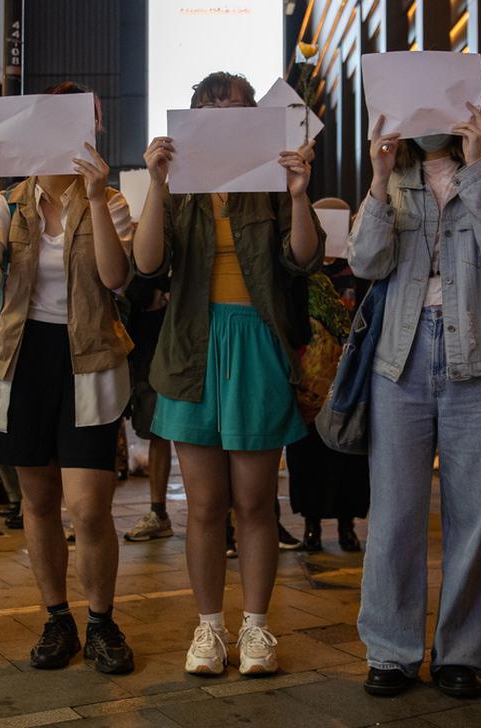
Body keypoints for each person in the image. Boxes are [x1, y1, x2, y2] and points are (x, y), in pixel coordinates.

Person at [133, 71, 324, 677]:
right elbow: (147, 262)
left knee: (255, 501)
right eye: (213, 116)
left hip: (255, 341)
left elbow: (302, 257)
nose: (228, 126)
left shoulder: (270, 185)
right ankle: (210, 629)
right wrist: (157, 186)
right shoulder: (178, 187)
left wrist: (298, 193)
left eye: (241, 114)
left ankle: (259, 629)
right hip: (191, 344)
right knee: (207, 504)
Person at [350, 105, 481, 699]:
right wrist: (378, 181)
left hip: (479, 353)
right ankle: (391, 651)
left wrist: (477, 164)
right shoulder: (394, 174)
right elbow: (364, 261)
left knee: (474, 513)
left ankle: (460, 653)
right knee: (395, 512)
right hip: (398, 358)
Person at [0, 82, 136, 675]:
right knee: (38, 499)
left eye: (85, 119)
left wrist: (91, 190)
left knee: (89, 507)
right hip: (20, 357)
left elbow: (116, 279)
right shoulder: (6, 203)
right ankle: (57, 618)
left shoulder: (109, 200)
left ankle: (102, 621)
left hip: (89, 355)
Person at [285, 200, 368, 553]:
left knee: (349, 453)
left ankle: (348, 525)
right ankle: (311, 525)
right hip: (308, 381)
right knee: (307, 455)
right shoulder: (301, 271)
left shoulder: (359, 267)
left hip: (347, 375)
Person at [122, 271, 175, 543]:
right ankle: (92, 513)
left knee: (158, 427)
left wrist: (159, 298)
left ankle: (158, 512)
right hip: (129, 334)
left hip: (153, 339)